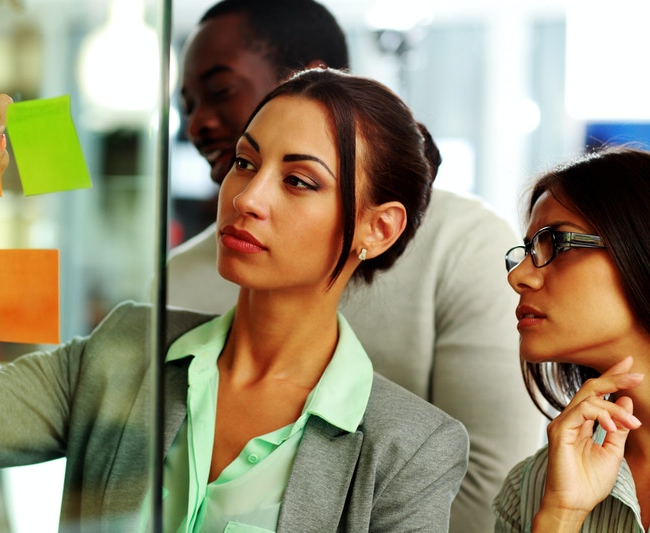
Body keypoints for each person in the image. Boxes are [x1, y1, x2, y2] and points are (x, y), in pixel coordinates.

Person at [0, 68, 468, 531]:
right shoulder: (125, 350)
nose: (247, 198)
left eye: (299, 181)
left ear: (377, 228)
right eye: (245, 162)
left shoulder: (410, 448)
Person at [167, 1, 546, 530]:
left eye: (222, 90)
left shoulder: (466, 246)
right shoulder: (173, 286)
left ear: (317, 78)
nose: (198, 123)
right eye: (187, 104)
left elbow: (490, 490)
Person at [493, 146, 650, 531]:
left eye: (558, 244)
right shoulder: (532, 489)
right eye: (528, 250)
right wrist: (561, 515)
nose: (518, 276)